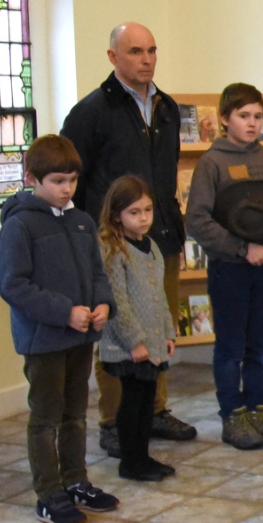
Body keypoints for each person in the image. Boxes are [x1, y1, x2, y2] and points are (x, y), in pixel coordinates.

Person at [61, 21, 197, 458]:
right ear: (113, 57)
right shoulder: (91, 112)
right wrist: (88, 240)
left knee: (157, 325)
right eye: (136, 51)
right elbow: (74, 183)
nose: (147, 59)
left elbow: (167, 173)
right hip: (113, 245)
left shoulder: (168, 108)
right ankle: (114, 421)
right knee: (120, 334)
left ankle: (153, 411)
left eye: (152, 50)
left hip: (159, 239)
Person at [0, 135, 120, 523]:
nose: (66, 189)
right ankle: (49, 492)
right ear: (32, 178)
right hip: (45, 339)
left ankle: (75, 480)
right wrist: (64, 313)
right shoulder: (19, 226)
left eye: (72, 180)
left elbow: (98, 273)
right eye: (57, 181)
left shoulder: (81, 221)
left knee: (75, 414)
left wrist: (102, 305)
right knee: (46, 417)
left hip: (81, 337)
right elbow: (13, 285)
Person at [184, 83, 263, 451]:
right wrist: (242, 248)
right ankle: (233, 416)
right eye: (244, 116)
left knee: (260, 344)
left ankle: (259, 410)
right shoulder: (211, 163)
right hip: (230, 268)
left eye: (258, 116)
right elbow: (198, 220)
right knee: (231, 346)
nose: (252, 123)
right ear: (224, 118)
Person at [97, 175, 178, 482]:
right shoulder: (113, 250)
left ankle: (143, 457)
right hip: (127, 345)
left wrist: (168, 333)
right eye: (134, 212)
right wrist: (134, 341)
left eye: (147, 210)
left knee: (147, 403)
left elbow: (160, 296)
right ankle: (131, 462)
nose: (143, 218)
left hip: (153, 342)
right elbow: (116, 301)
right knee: (132, 402)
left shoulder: (152, 246)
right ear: (117, 214)